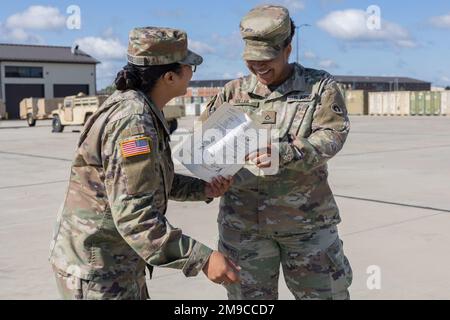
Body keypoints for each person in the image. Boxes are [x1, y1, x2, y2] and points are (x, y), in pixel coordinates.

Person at [49, 27, 239, 300]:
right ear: (170, 76)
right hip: (99, 270)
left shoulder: (139, 105)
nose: (191, 75)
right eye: (190, 69)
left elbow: (147, 181)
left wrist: (204, 189)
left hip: (114, 260)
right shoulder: (133, 121)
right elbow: (135, 218)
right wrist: (203, 259)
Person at [200, 5, 353, 300]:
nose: (258, 67)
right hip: (243, 229)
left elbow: (333, 135)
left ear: (287, 49)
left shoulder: (319, 86)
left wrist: (285, 153)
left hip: (306, 226)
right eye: (251, 60)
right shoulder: (232, 92)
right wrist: (209, 177)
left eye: (266, 59)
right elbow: (206, 142)